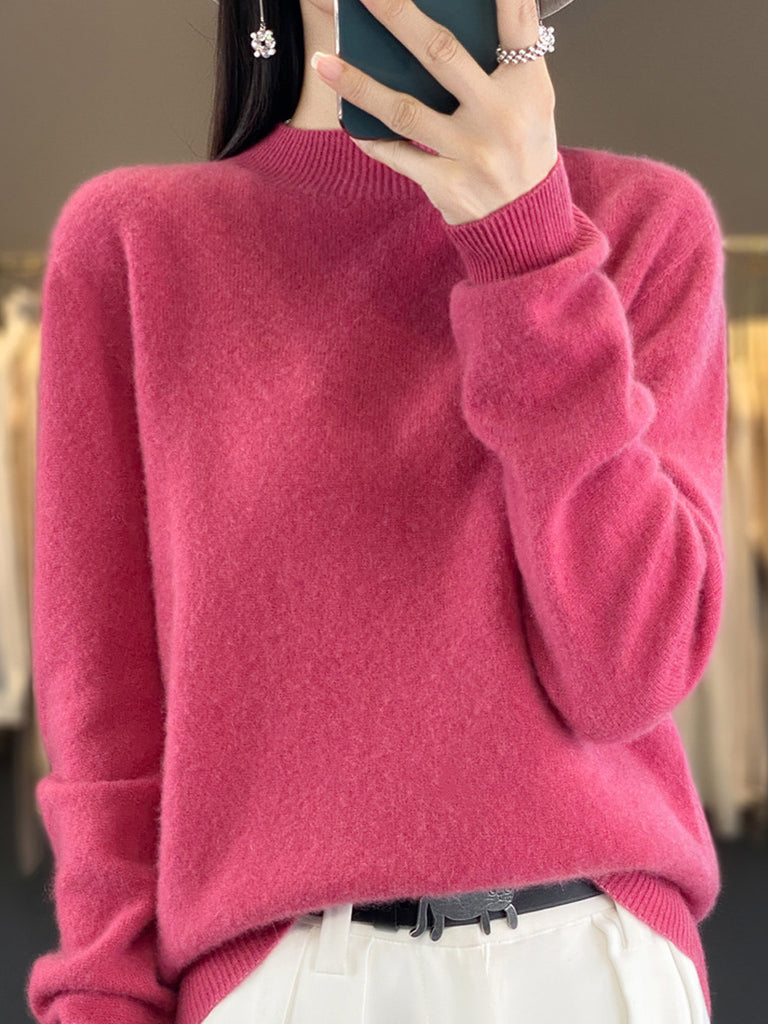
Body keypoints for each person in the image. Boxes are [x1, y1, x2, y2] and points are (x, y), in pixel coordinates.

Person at [26, 0, 725, 1022]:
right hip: (288, 980)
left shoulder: (643, 227)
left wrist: (528, 251)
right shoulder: (135, 245)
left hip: (596, 964)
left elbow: (628, 677)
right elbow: (106, 728)